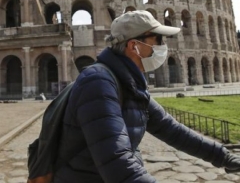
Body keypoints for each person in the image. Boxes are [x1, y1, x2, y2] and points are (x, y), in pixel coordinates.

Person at [53, 10, 240, 182]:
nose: (163, 45)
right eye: (158, 39)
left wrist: (223, 156)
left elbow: (170, 128)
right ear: (134, 46)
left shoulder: (127, 81)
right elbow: (118, 163)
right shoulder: (99, 83)